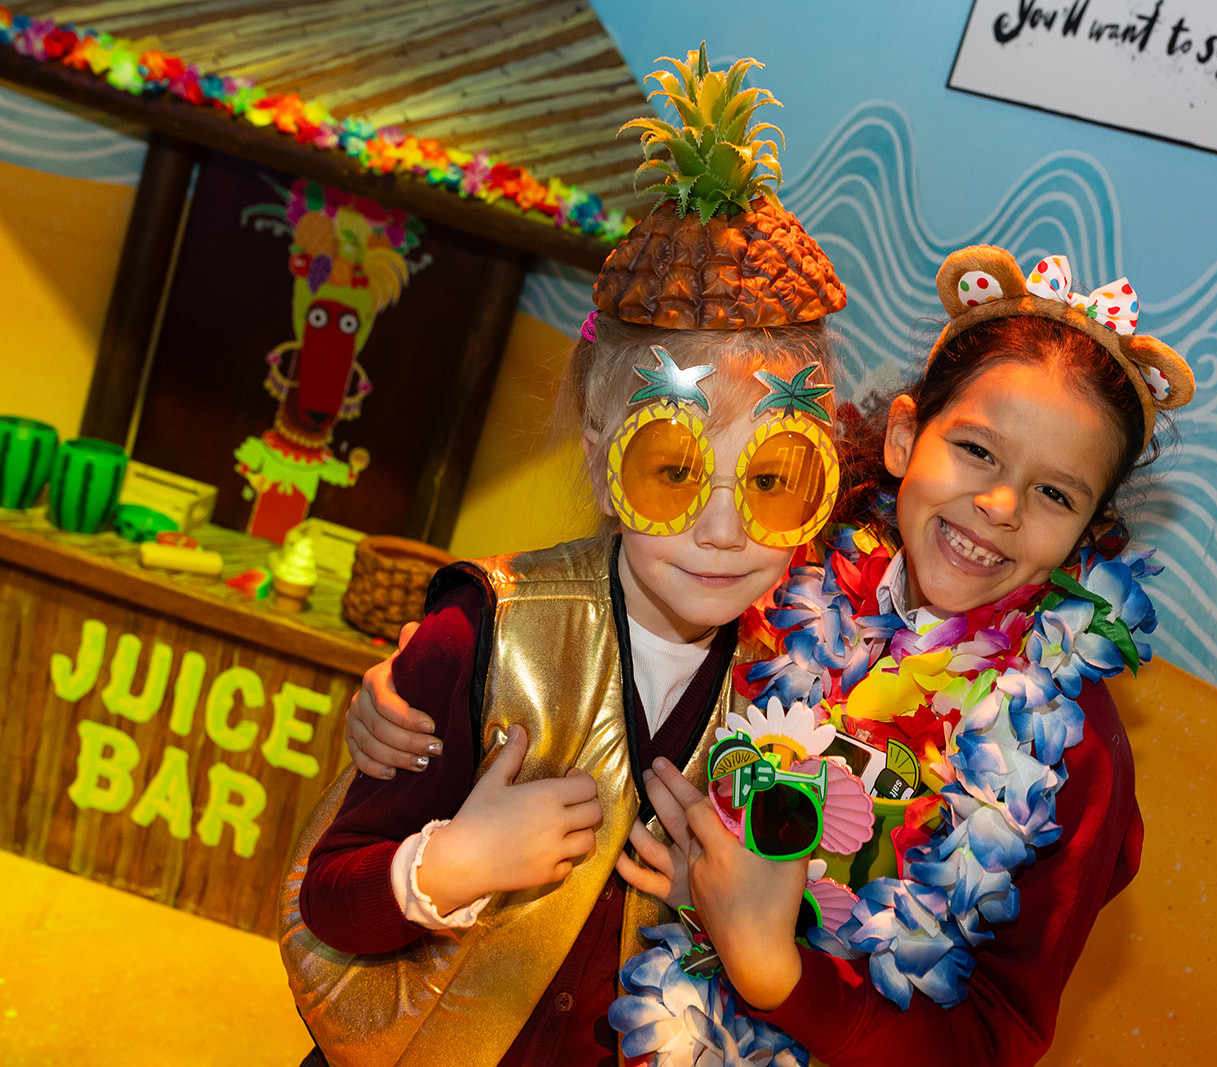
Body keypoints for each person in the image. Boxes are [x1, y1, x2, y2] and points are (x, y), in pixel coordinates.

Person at [347, 245, 1195, 1065]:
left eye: (1055, 492)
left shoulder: (1070, 755)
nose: (1001, 504)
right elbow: (606, 611)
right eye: (976, 448)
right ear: (904, 439)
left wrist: (773, 969)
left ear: (1091, 528)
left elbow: (990, 1038)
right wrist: (437, 673)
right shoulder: (782, 566)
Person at [278, 45, 853, 1067]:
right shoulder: (476, 634)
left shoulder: (809, 670)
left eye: (770, 479)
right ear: (601, 459)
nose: (723, 530)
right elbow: (327, 901)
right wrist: (453, 861)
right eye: (674, 470)